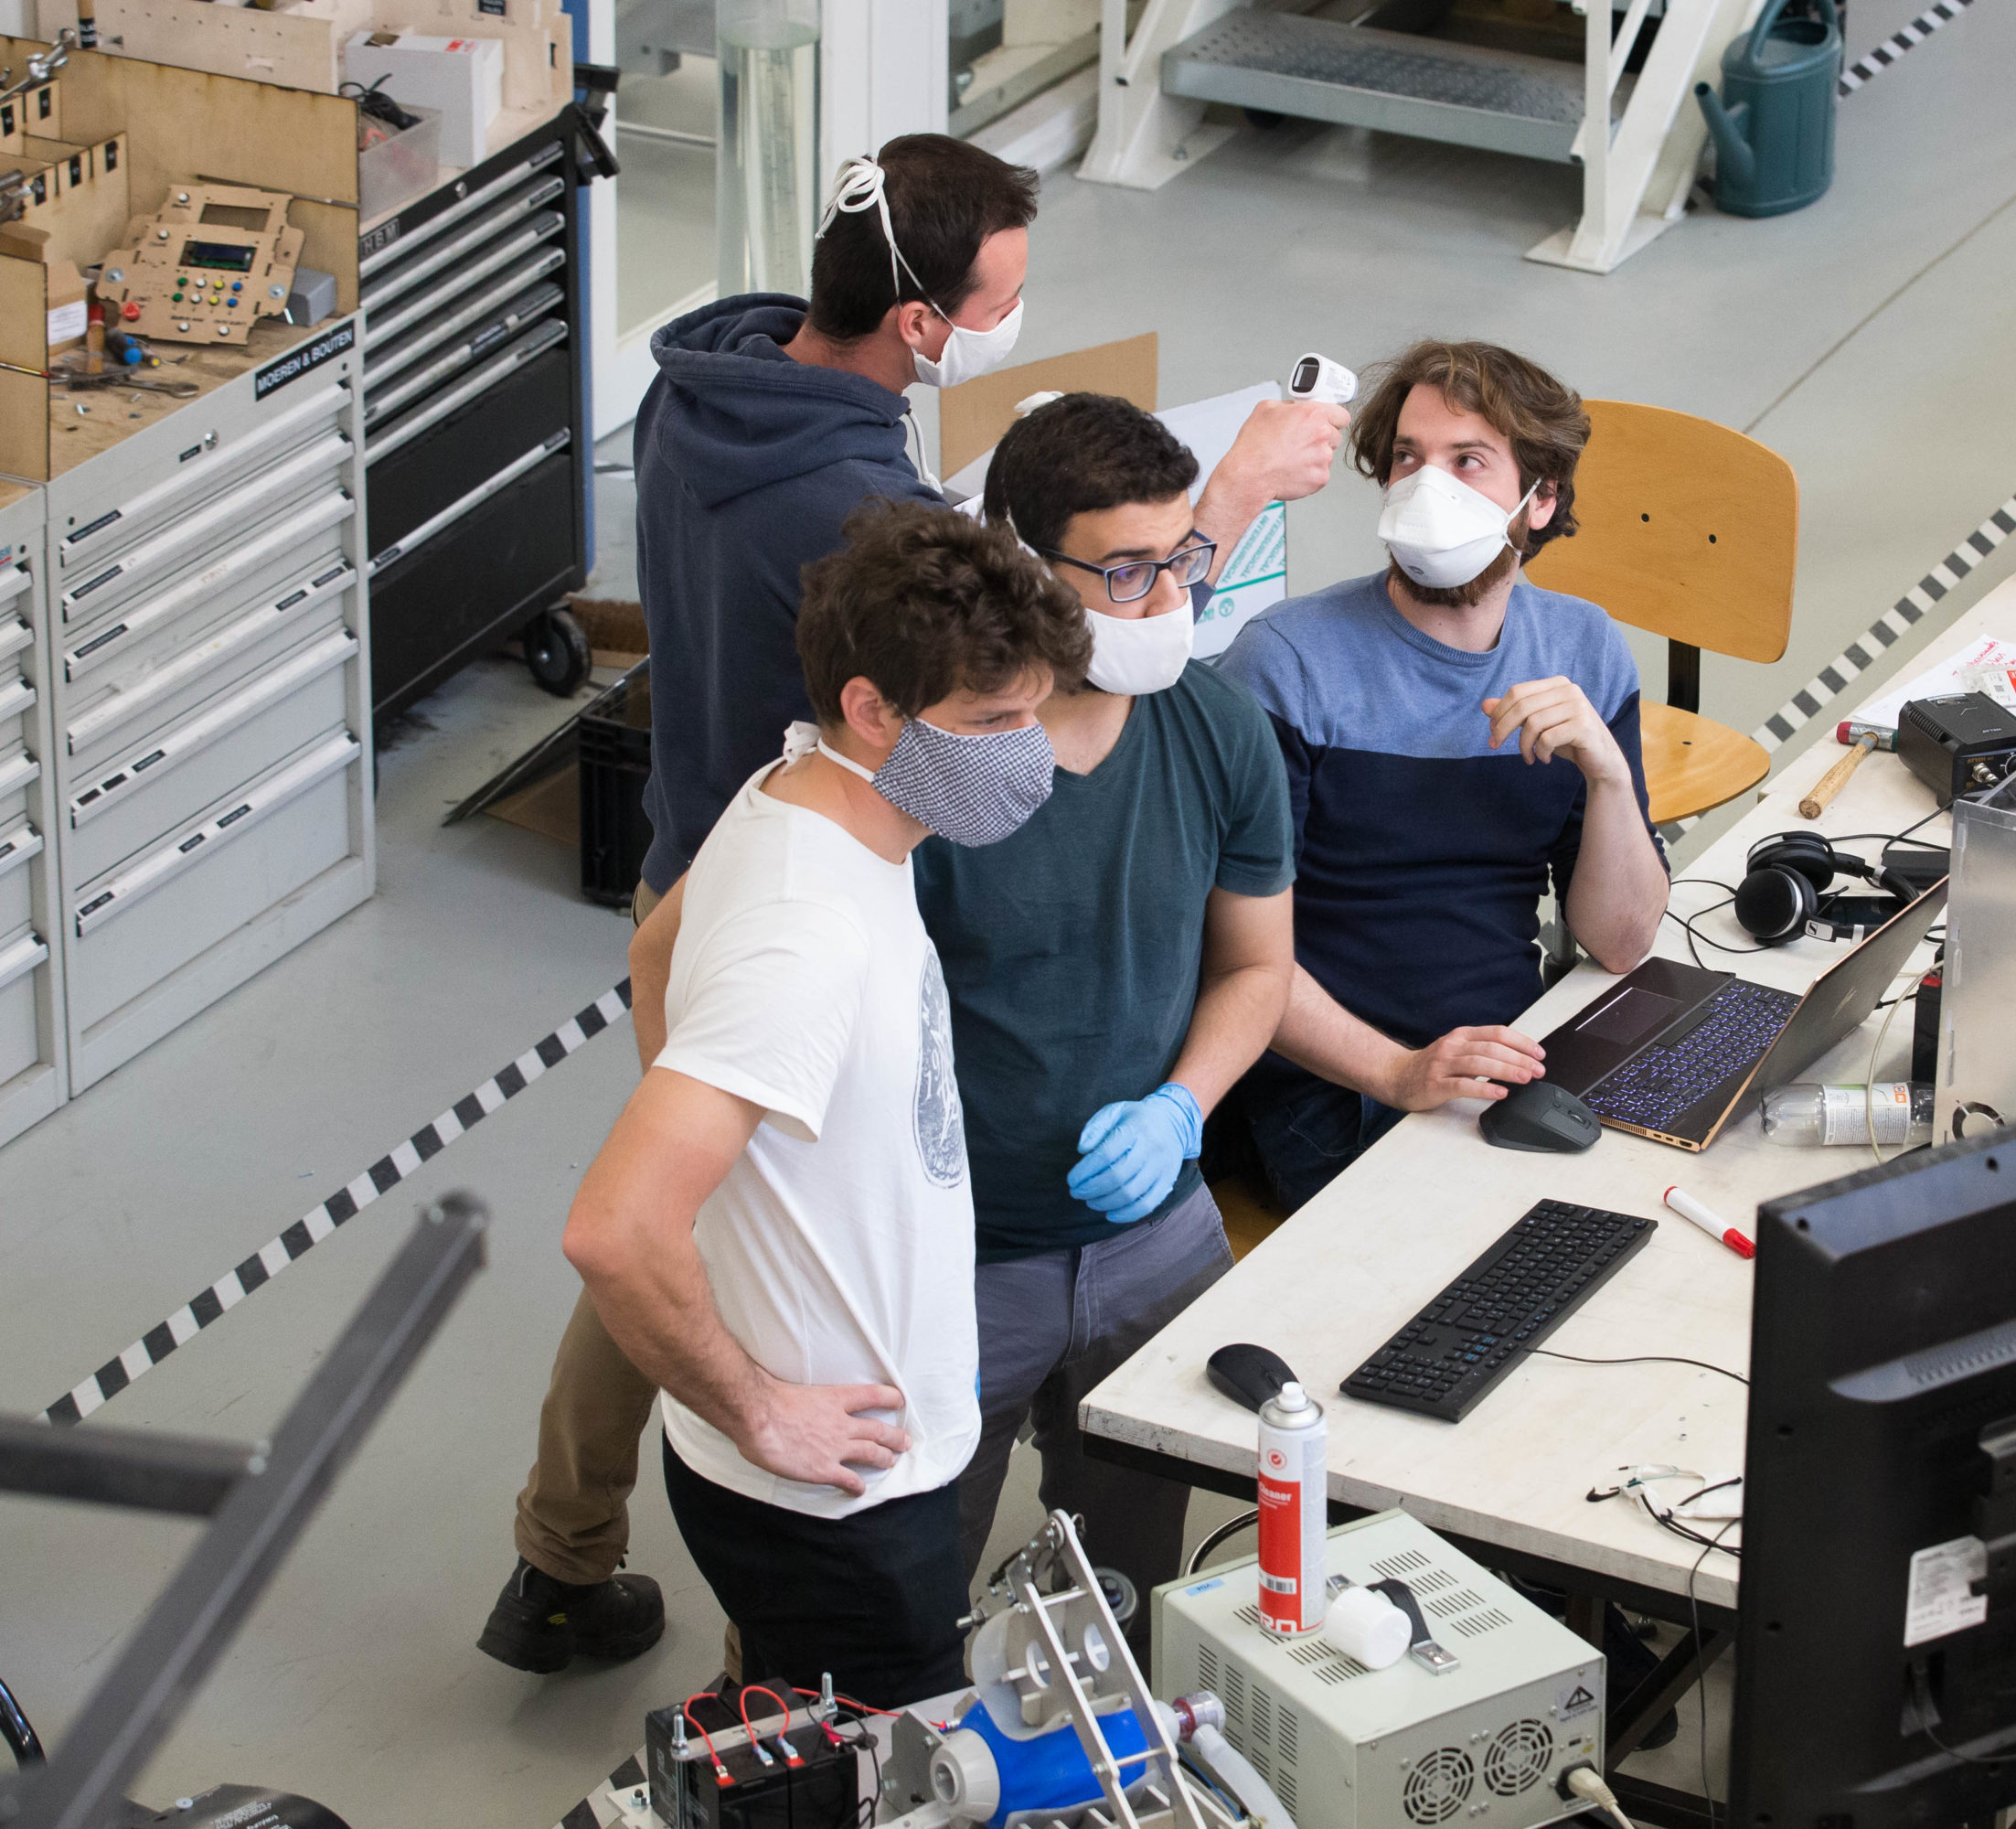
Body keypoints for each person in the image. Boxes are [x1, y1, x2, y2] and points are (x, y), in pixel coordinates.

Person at [479, 132, 1343, 1671]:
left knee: (706, 1188)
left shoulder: (718, 376)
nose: (1020, 314)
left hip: (707, 841)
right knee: (706, 1216)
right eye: (1004, 292)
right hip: (787, 876)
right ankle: (591, 1539)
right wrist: (1226, 509)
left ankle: (562, 1548)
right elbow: (1026, 638)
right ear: (926, 322)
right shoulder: (856, 525)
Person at [560, 502, 1089, 1705]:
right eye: (995, 723)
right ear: (872, 707)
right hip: (836, 1496)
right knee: (880, 1772)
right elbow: (613, 1229)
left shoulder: (796, 789)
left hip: (849, 1464)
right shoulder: (808, 936)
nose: (1033, 752)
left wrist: (746, 1186)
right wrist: (761, 1408)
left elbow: (653, 956)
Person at [925, 393, 1296, 1619]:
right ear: (1028, 565)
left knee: (1125, 1602)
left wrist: (1182, 1110)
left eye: (1183, 559)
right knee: (905, 1610)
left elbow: (1255, 969)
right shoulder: (941, 762)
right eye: (1128, 570)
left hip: (1155, 1241)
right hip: (960, 1259)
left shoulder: (1220, 733)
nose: (1167, 599)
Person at [1214, 340, 1669, 1210]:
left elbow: (1618, 942)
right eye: (1407, 460)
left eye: (1468, 463)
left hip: (1513, 1050)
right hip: (1333, 1081)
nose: (1429, 486)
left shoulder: (1584, 648)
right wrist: (1399, 1071)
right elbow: (1232, 955)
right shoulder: (1287, 666)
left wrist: (1609, 781)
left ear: (1541, 500)